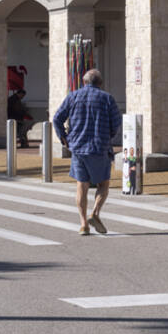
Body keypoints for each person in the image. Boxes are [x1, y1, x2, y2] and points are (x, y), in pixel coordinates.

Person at [52, 68, 122, 235]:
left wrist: (63, 138)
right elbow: (116, 123)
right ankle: (95, 213)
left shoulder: (73, 97)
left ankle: (83, 224)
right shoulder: (107, 99)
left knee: (81, 186)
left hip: (78, 148)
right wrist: (108, 135)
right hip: (99, 147)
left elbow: (57, 118)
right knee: (103, 184)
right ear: (100, 83)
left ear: (84, 82)